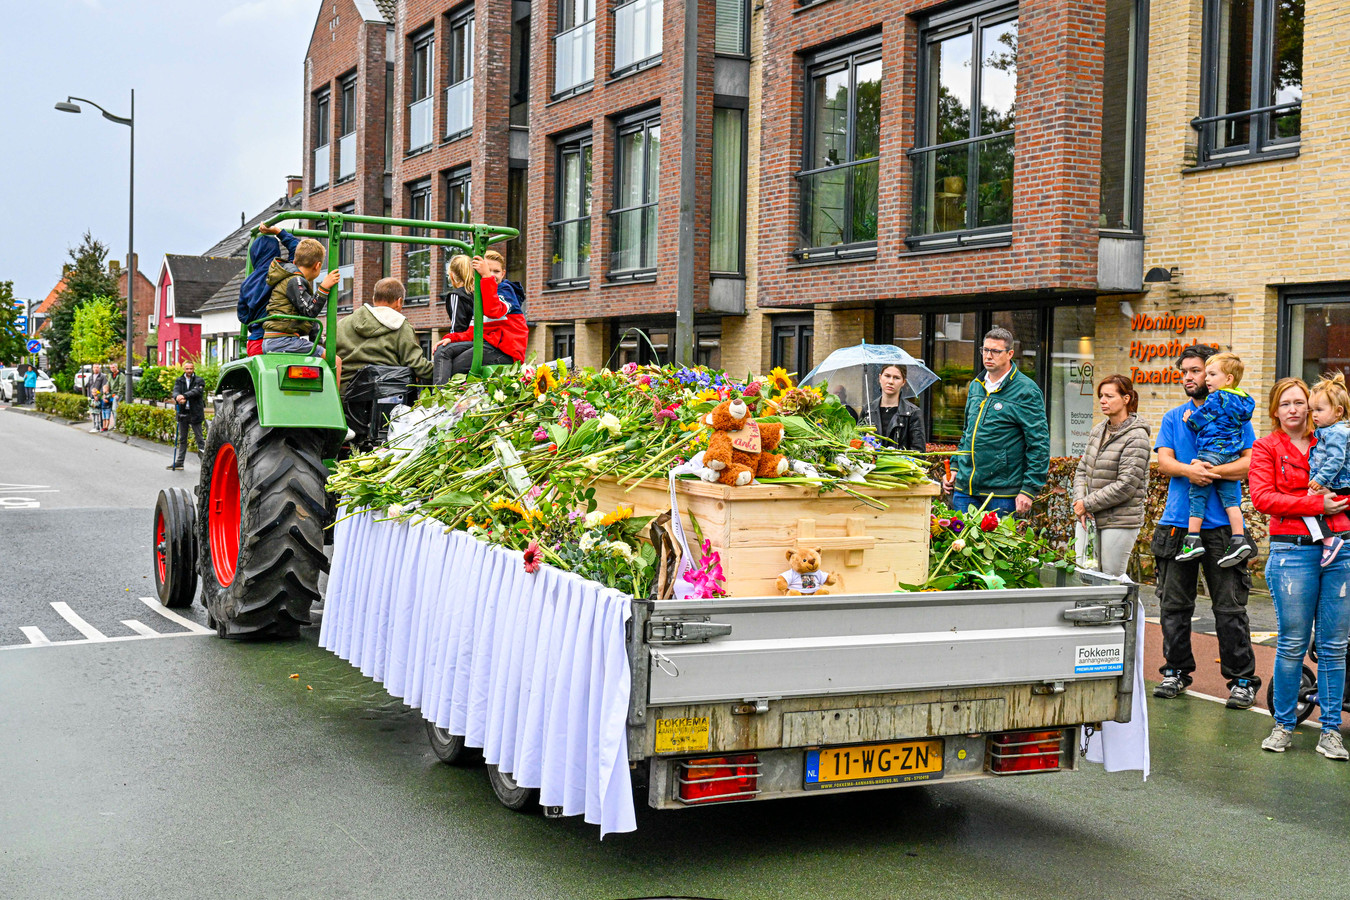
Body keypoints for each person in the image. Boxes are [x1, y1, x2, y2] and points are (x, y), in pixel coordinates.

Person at [1151, 344, 1260, 708]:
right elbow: (1165, 462)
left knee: (1229, 609)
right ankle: (1175, 671)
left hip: (1222, 531)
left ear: (1215, 376)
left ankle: (1242, 680)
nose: (1189, 377)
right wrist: (1190, 470)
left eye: (1197, 371)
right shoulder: (1174, 417)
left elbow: (1249, 465)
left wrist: (1210, 471)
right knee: (1174, 606)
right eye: (1185, 372)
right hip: (1176, 525)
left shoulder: (1236, 416)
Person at [1248, 377, 1350, 760]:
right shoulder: (1265, 448)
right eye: (1285, 403)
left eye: (1300, 402)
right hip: (1292, 553)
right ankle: (1283, 726)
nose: (1294, 408)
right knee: (1291, 644)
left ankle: (1330, 732)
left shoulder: (1332, 438)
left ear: (1311, 407)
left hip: (1341, 551)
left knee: (1334, 647)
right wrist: (1316, 505)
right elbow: (1262, 498)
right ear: (1275, 410)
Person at [941, 327, 1049, 516]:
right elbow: (967, 433)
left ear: (1010, 354)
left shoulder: (1026, 391)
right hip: (965, 490)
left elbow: (1038, 444)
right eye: (985, 350)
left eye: (995, 351)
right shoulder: (976, 385)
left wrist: (1029, 490)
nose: (988, 356)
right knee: (959, 544)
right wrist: (956, 467)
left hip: (1001, 493)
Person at [1177, 351, 1255, 565]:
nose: (1207, 379)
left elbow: (1202, 418)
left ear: (1228, 379)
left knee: (1197, 495)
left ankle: (1192, 540)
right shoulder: (1243, 400)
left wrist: (1189, 419)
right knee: (1231, 501)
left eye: (1211, 374)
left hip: (1210, 452)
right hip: (1230, 456)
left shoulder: (1217, 397)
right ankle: (1239, 538)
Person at [1072, 375, 1151, 578]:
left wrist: (1087, 504)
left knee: (1111, 578)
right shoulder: (1098, 430)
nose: (1102, 400)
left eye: (1109, 396)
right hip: (1088, 517)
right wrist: (1080, 503)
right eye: (1101, 396)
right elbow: (1082, 470)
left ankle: (1132, 611)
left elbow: (1126, 485)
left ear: (1126, 399)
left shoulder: (1137, 436)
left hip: (1120, 520)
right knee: (1084, 574)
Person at [431, 250, 526, 381]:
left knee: (453, 368)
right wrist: (452, 338)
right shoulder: (483, 294)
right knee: (442, 350)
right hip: (488, 344)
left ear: (503, 273)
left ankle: (442, 397)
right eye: (488, 270)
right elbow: (473, 331)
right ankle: (437, 396)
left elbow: (494, 310)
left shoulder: (506, 291)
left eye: (496, 271)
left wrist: (486, 276)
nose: (493, 275)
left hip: (505, 351)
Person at [335, 277, 434, 392]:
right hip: (386, 398)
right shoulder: (401, 326)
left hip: (344, 396)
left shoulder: (342, 324)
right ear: (399, 301)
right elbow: (417, 366)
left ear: (373, 299)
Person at [1302, 372, 1350, 565]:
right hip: (1337, 483)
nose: (1314, 415)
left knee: (1306, 506)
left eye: (1319, 410)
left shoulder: (1336, 432)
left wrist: (1320, 479)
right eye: (1312, 410)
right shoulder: (1329, 430)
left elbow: (1336, 459)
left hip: (1338, 483)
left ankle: (1329, 540)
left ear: (1338, 411)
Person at [262, 237, 340, 354]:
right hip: (283, 340)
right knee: (335, 360)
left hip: (277, 339)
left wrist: (317, 342)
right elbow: (309, 311)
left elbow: (308, 319)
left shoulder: (291, 279)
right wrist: (324, 288)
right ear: (317, 266)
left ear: (294, 262)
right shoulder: (295, 281)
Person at [239, 222, 300, 356]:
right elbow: (298, 251)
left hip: (257, 341)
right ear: (275, 251)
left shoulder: (247, 283)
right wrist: (278, 232)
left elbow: (243, 316)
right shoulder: (284, 272)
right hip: (283, 339)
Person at [860, 364, 926, 452]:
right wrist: (865, 441)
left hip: (900, 464)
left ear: (903, 382)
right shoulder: (868, 410)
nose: (891, 381)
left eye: (896, 378)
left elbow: (919, 452)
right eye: (887, 376)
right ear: (880, 378)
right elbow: (855, 445)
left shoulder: (912, 413)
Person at [167, 361, 207, 471]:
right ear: (184, 370)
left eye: (191, 369)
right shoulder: (179, 380)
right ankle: (179, 462)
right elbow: (175, 391)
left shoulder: (199, 380)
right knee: (182, 439)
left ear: (193, 369)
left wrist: (184, 396)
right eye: (187, 369)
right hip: (183, 413)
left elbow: (196, 392)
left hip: (195, 413)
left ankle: (205, 464)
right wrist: (177, 397)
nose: (189, 371)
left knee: (200, 439)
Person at [87, 363, 107, 432]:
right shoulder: (90, 377)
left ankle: (100, 426)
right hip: (92, 397)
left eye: (97, 367)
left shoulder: (103, 376)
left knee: (99, 412)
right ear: (92, 368)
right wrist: (89, 396)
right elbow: (89, 387)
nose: (96, 369)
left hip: (99, 398)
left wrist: (98, 395)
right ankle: (94, 426)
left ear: (99, 368)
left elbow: (103, 387)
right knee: (93, 412)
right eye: (94, 367)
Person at [107, 362, 125, 428]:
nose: (112, 369)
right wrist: (106, 393)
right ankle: (115, 423)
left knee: (115, 409)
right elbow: (108, 383)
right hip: (111, 394)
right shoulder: (110, 375)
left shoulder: (121, 375)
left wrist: (119, 394)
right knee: (112, 410)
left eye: (113, 367)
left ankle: (116, 425)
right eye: (111, 367)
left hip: (117, 395)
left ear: (116, 367)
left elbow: (122, 385)